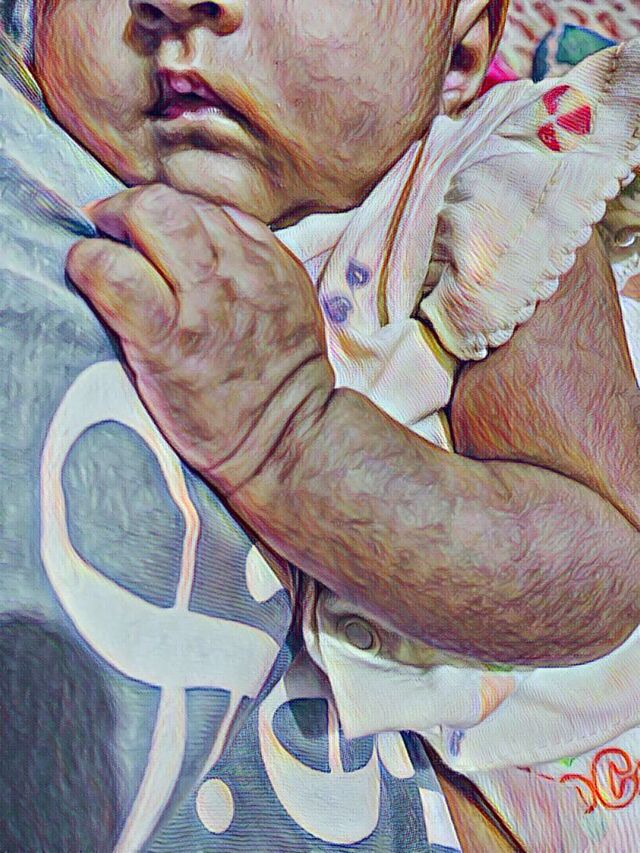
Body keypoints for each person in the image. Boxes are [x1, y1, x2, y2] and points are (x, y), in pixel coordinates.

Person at [3, 0, 640, 848]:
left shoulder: (492, 194)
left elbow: (603, 557)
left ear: (458, 55)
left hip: (557, 773)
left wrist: (293, 437)